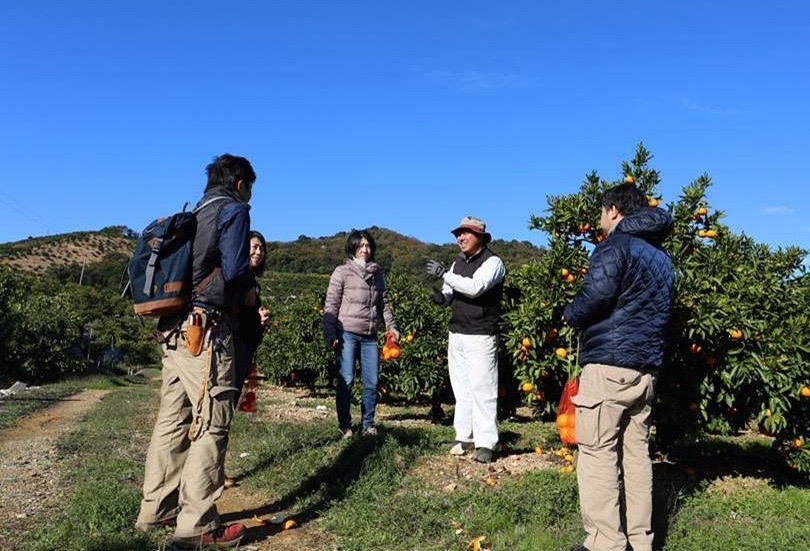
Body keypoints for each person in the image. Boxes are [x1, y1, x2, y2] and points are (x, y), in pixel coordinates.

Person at [135, 154, 257, 548]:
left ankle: (156, 508)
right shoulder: (233, 210)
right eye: (250, 188)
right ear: (240, 183)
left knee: (172, 419)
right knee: (212, 420)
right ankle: (197, 525)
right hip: (205, 330)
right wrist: (250, 293)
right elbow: (236, 271)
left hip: (173, 330)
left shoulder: (196, 211)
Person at [562, 183, 674, 551]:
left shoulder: (615, 245)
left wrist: (570, 313)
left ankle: (604, 543)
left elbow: (597, 296)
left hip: (610, 365)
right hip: (645, 370)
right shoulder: (661, 257)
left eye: (601, 212)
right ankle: (641, 541)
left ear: (613, 210)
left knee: (596, 453)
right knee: (637, 455)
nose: (600, 219)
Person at [425, 216, 505, 464]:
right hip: (457, 333)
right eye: (458, 233)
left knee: (483, 389)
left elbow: (475, 287)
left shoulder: (493, 262)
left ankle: (486, 443)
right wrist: (443, 298)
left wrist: (444, 276)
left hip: (481, 334)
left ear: (480, 236)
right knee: (462, 389)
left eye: (466, 233)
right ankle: (464, 437)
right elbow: (452, 292)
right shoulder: (457, 262)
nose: (460, 237)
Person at [323, 229, 399, 438]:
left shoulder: (376, 274)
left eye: (368, 246)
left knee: (372, 382)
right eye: (361, 245)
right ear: (353, 248)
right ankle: (345, 425)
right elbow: (331, 303)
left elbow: (383, 304)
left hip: (369, 335)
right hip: (346, 332)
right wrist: (329, 332)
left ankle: (367, 425)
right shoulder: (342, 272)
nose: (365, 249)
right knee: (346, 379)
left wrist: (391, 327)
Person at [224, 230, 270, 489]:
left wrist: (257, 318)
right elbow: (236, 318)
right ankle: (212, 471)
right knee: (222, 412)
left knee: (225, 412)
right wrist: (255, 317)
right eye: (253, 247)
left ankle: (214, 468)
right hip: (234, 351)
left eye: (261, 248)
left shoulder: (250, 280)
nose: (258, 252)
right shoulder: (240, 279)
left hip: (242, 351)